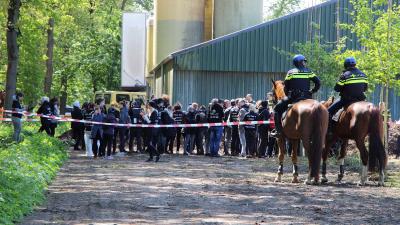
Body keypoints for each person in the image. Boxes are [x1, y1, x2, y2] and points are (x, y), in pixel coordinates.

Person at [271, 54, 321, 137]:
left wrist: (287, 94)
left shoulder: (290, 72)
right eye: (303, 62)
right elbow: (318, 83)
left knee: (276, 109)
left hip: (294, 97)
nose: (305, 64)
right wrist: (312, 91)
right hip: (307, 97)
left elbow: (286, 86)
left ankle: (278, 131)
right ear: (300, 62)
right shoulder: (309, 71)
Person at [327, 57, 368, 132]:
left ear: (345, 65)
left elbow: (337, 89)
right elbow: (365, 89)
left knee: (328, 111)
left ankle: (329, 131)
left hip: (346, 99)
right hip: (361, 99)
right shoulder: (363, 74)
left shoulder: (344, 75)